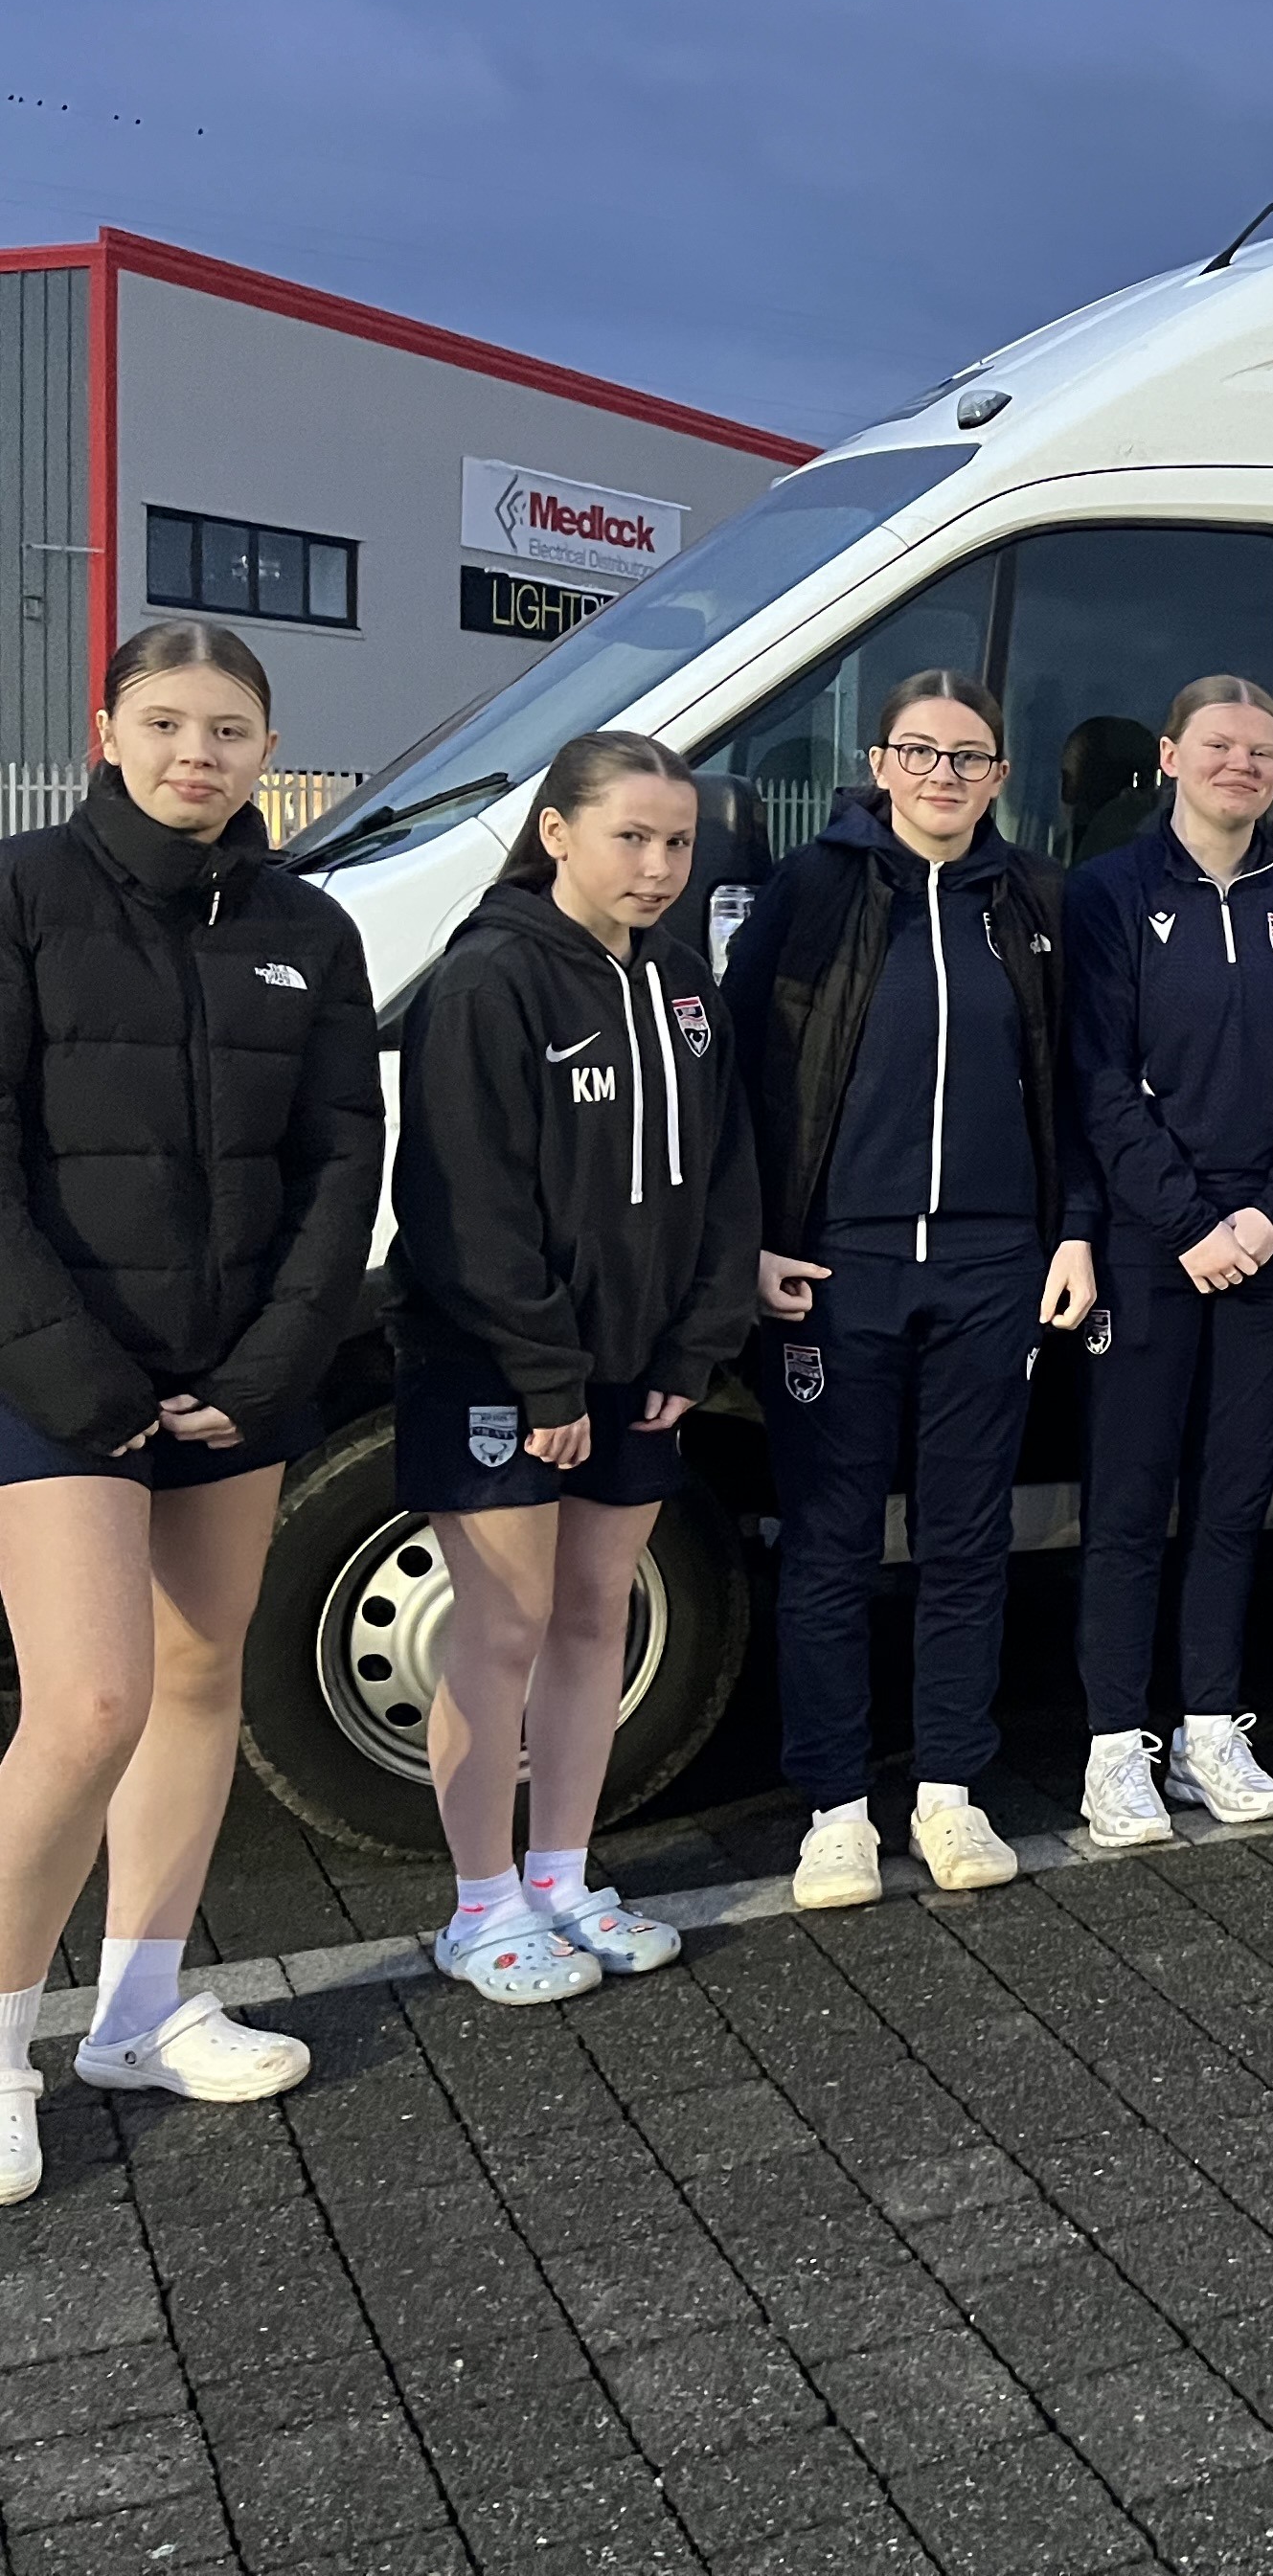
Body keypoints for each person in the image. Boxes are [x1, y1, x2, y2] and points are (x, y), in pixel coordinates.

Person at [0, 625, 382, 2194]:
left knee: (197, 1672)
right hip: (54, 1373)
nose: (196, 755)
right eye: (164, 722)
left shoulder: (309, 926)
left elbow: (339, 1161)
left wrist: (272, 1361)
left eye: (229, 729)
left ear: (266, 749)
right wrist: (79, 1373)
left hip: (235, 1381)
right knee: (88, 1704)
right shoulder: (24, 893)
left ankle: (139, 2010)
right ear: (107, 730)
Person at [389, 733, 759, 2004]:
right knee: (503, 1627)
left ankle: (559, 1876)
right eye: (631, 837)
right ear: (557, 832)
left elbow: (725, 1176)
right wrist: (544, 1378)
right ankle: (478, 1904)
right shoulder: (488, 979)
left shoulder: (685, 983)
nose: (659, 866)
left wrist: (694, 1345)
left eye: (678, 843)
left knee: (597, 1616)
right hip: (499, 1368)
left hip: (639, 1365)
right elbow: (463, 1205)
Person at [727, 669, 1099, 1910]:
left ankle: (949, 1791)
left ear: (1000, 776)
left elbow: (1077, 1078)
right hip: (839, 1266)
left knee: (965, 1540)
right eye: (922, 752)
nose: (945, 775)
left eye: (969, 757)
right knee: (831, 1545)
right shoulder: (814, 888)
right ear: (880, 765)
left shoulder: (1033, 898)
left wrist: (1072, 1233)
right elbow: (742, 1073)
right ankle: (836, 1810)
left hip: (994, 1265)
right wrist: (754, 1238)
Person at [1066, 678, 1273, 1844]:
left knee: (1235, 1503)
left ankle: (1208, 1729)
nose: (1242, 765)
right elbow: (1097, 1076)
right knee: (1129, 1503)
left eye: (1263, 752)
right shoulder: (1109, 892)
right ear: (1170, 755)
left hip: (1269, 1247)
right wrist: (1189, 1224)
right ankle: (1113, 1747)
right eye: (1221, 746)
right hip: (1153, 1248)